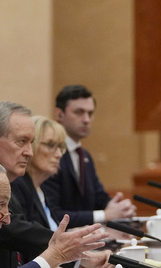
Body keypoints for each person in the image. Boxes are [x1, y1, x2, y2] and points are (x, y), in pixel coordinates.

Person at [0, 100, 112, 268]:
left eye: (31, 143)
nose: (30, 152)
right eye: (21, 141)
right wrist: (80, 255)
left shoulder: (6, 181)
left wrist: (49, 267)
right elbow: (12, 230)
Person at [43, 85, 136, 226]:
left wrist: (120, 208)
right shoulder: (49, 155)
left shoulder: (85, 156)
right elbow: (52, 214)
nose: (86, 119)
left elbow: (99, 198)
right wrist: (105, 214)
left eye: (90, 113)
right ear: (59, 114)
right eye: (79, 112)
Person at [13, 116, 69, 231]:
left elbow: (50, 231)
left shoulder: (40, 188)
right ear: (32, 145)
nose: (59, 154)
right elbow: (26, 235)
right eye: (50, 145)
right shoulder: (18, 185)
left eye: (61, 147)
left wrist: (75, 233)